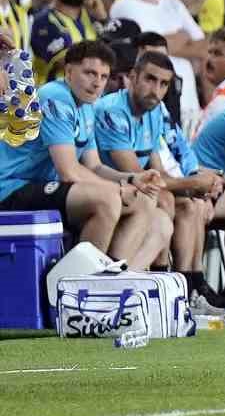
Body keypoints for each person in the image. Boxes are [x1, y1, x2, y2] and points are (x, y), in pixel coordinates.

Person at [94, 50, 225, 315]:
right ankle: (169, 285)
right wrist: (194, 183)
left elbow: (165, 162)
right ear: (132, 77)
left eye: (163, 84)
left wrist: (199, 184)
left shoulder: (155, 110)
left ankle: (191, 287)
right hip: (113, 188)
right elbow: (137, 175)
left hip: (141, 189)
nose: (155, 90)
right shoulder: (112, 111)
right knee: (171, 199)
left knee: (191, 203)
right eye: (150, 79)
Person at [0, 40, 170, 270]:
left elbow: (94, 166)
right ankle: (83, 288)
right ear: (69, 72)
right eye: (90, 73)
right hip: (12, 187)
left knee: (145, 202)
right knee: (106, 199)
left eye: (103, 76)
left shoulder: (88, 105)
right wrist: (117, 190)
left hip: (42, 187)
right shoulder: (55, 97)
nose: (97, 83)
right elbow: (68, 171)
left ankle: (115, 276)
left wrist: (131, 180)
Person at [109, 0, 205, 130]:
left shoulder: (174, 4)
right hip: (153, 105)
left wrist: (168, 42)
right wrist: (183, 37)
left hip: (189, 104)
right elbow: (149, 52)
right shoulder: (124, 7)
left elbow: (203, 47)